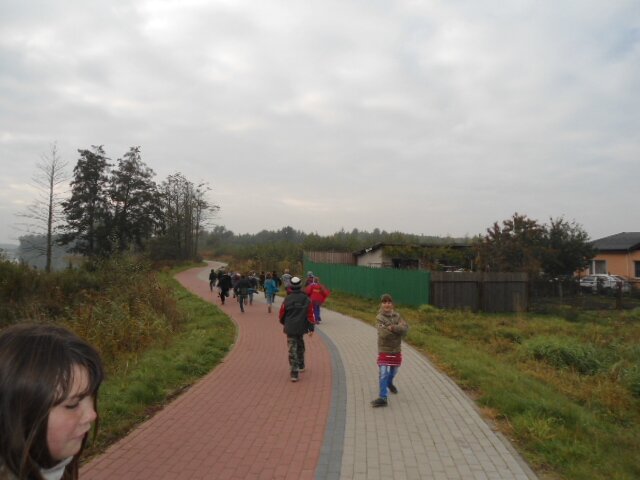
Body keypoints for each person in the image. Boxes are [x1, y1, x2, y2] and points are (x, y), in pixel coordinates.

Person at [0, 323, 104, 480]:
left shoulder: (55, 466)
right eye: (72, 405)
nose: (92, 415)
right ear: (19, 414)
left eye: (92, 396)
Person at [371, 294, 409, 407]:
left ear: (392, 304)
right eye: (384, 302)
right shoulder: (379, 318)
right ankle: (383, 397)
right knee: (383, 373)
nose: (387, 304)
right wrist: (397, 331)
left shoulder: (398, 316)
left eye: (389, 302)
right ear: (381, 304)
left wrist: (391, 328)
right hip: (384, 349)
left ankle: (389, 383)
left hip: (396, 350)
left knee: (394, 371)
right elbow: (383, 334)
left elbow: (405, 329)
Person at [279, 276, 316, 382]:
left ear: (291, 286)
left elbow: (281, 314)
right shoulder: (306, 299)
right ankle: (301, 364)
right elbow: (310, 314)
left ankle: (294, 373)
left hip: (290, 327)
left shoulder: (287, 299)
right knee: (300, 344)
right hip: (301, 327)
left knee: (292, 349)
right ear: (300, 286)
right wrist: (311, 328)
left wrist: (285, 323)